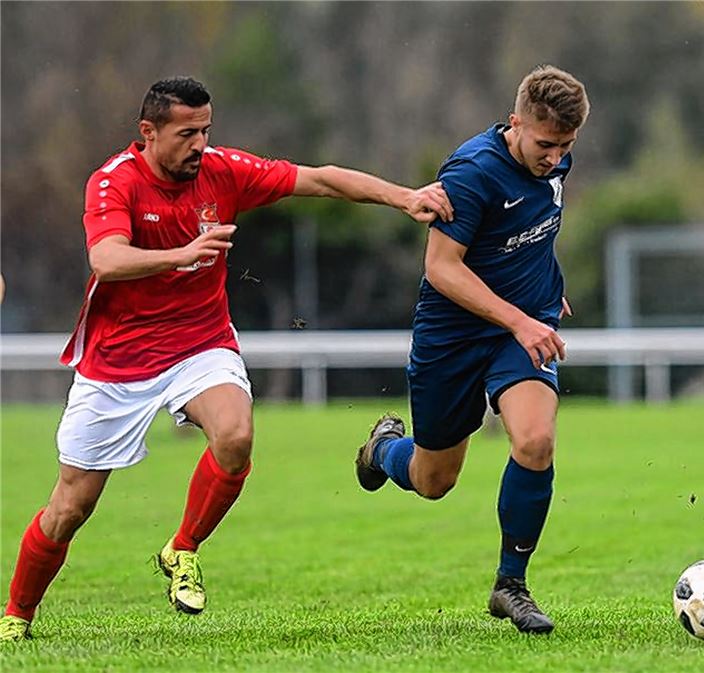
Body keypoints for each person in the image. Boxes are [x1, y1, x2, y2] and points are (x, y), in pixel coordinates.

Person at [0, 76, 454, 642]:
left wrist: (405, 196)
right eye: (186, 133)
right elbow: (107, 258)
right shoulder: (113, 182)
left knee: (235, 437)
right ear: (148, 133)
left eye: (206, 130)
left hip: (200, 343)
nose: (199, 144)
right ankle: (17, 614)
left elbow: (319, 179)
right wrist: (182, 253)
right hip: (118, 362)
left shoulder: (221, 170)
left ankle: (182, 549)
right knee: (71, 506)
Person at [352, 65, 589, 634]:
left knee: (535, 440)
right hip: (452, 337)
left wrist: (547, 291)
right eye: (545, 145)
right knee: (434, 481)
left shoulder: (555, 163)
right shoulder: (472, 172)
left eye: (566, 146)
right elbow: (440, 268)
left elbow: (536, 228)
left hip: (519, 330)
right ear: (515, 124)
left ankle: (511, 585)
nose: (555, 158)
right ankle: (384, 450)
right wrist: (518, 318)